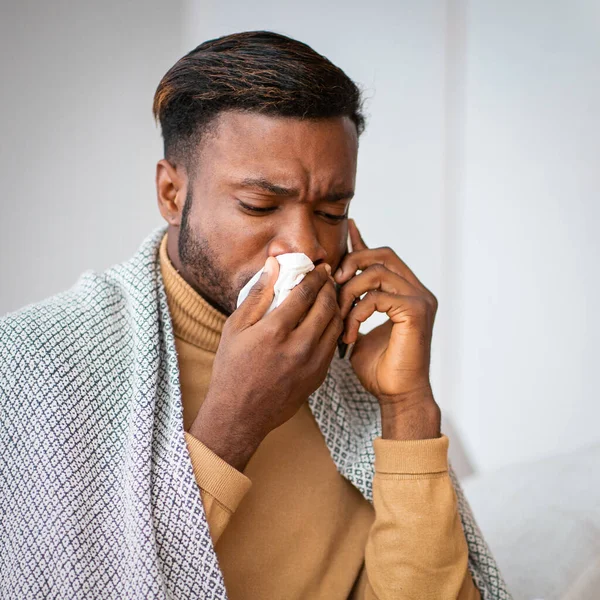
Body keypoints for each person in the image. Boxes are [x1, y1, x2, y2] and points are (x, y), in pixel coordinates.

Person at [0, 30, 511, 600]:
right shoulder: (36, 365)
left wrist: (406, 405)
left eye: (330, 210)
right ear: (172, 193)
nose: (304, 248)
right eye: (259, 205)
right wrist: (233, 423)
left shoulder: (352, 363)